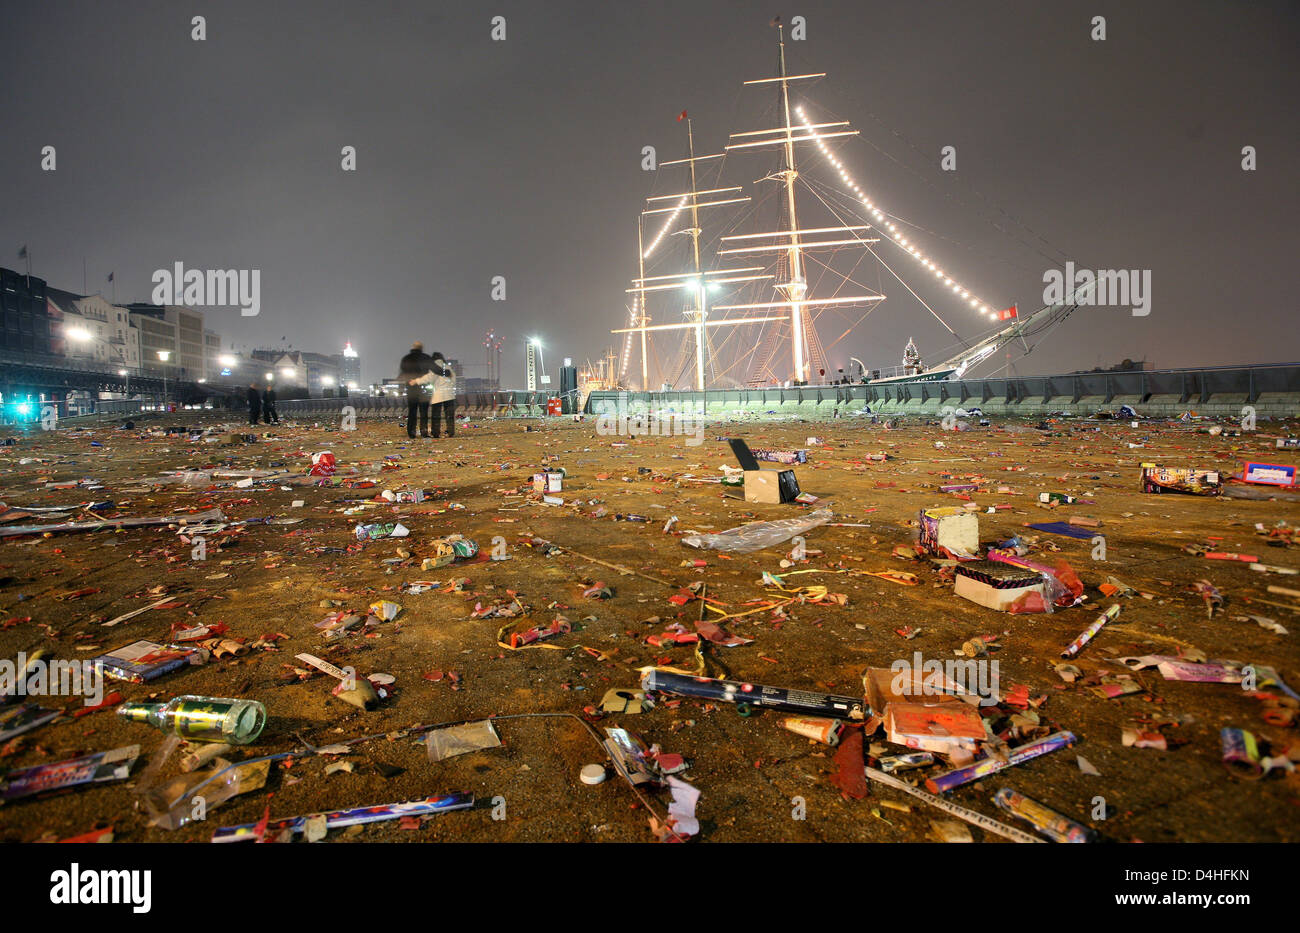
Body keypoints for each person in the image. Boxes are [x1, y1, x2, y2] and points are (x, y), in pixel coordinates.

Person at [411, 352, 456, 438]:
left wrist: (416, 381)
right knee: (449, 415)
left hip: (438, 395)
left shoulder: (435, 367)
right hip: (449, 394)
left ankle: (436, 432)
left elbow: (429, 377)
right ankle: (451, 432)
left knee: (436, 415)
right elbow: (453, 381)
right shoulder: (449, 367)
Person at [399, 340, 432, 438]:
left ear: (412, 348)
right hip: (423, 388)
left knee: (412, 411)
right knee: (424, 412)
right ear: (421, 348)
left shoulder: (406, 359)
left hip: (411, 388)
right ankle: (424, 432)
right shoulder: (426, 358)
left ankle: (411, 432)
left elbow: (403, 372)